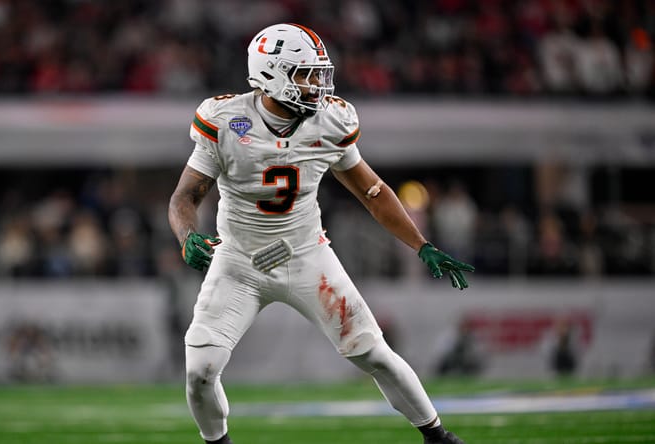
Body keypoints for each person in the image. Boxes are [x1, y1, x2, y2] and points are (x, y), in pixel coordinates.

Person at [168, 23, 474, 444]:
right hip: (238, 262)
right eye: (304, 74)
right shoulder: (227, 120)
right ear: (270, 73)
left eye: (318, 74)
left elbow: (373, 191)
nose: (316, 85)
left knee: (373, 353)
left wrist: (421, 245)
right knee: (200, 371)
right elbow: (184, 197)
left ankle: (439, 437)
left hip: (306, 255)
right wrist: (187, 236)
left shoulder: (329, 121)